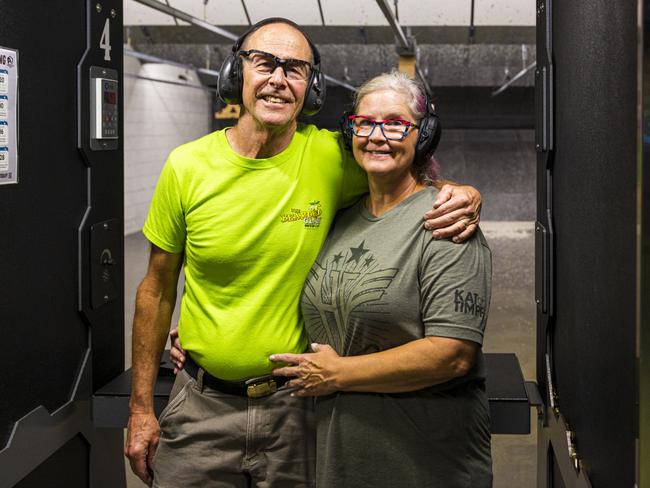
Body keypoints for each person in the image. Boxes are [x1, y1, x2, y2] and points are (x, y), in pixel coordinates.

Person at [125, 17, 483, 488]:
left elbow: (401, 173)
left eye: (295, 69)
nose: (278, 79)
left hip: (297, 408)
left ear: (310, 87)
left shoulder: (334, 157)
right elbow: (156, 289)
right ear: (237, 74)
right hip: (199, 405)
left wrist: (462, 191)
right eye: (264, 63)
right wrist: (141, 409)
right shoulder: (186, 166)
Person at [268, 71, 493, 487]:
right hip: (341, 458)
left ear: (422, 135)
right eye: (365, 123)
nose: (376, 135)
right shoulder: (341, 221)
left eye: (393, 123)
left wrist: (339, 374)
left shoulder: (446, 223)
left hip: (426, 463)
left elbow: (453, 353)